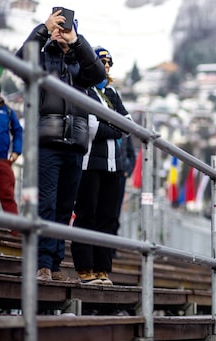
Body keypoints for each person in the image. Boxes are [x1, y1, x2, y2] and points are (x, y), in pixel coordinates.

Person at [16, 9, 106, 281]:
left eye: (66, 28)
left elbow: (98, 73)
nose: (61, 32)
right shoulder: (42, 59)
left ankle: (53, 265)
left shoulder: (81, 65)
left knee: (65, 208)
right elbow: (19, 61)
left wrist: (77, 43)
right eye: (58, 28)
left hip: (75, 144)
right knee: (46, 204)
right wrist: (43, 29)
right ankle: (41, 263)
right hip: (47, 141)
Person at [71, 46, 132, 285]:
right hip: (90, 163)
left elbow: (128, 125)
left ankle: (103, 268)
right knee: (87, 214)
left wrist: (115, 127)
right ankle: (85, 267)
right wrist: (115, 128)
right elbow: (92, 127)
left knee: (107, 217)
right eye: (102, 63)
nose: (106, 67)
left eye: (109, 64)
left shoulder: (112, 94)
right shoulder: (84, 91)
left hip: (113, 165)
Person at [0, 78, 23, 222]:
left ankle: (15, 230)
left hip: (2, 160)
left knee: (8, 195)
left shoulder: (7, 110)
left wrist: (16, 151)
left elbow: (18, 130)